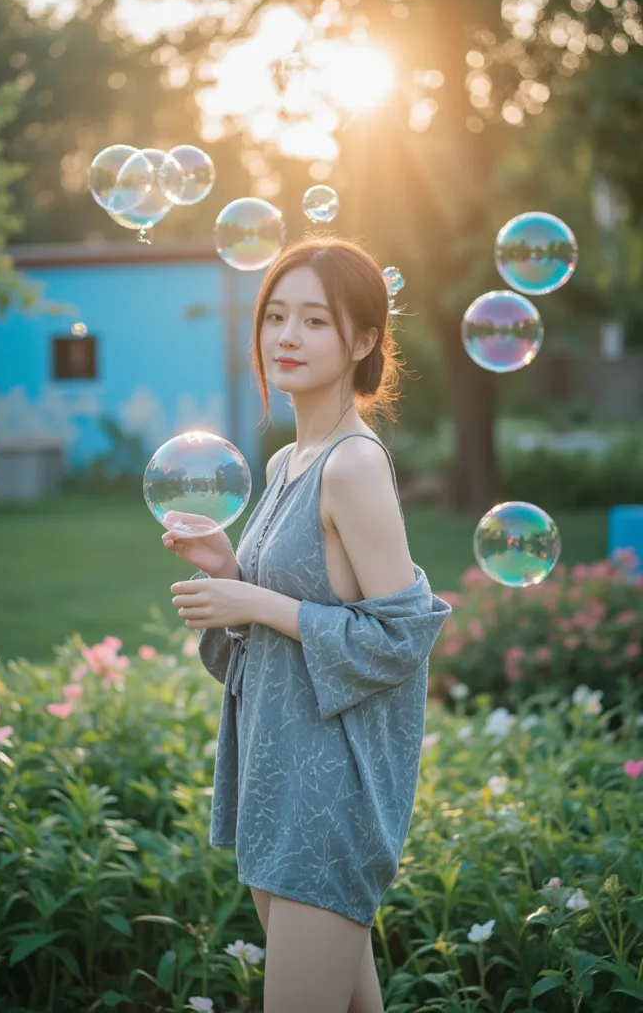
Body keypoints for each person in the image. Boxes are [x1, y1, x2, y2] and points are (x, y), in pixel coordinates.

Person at [162, 236, 452, 1013]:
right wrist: (228, 573)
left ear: (362, 341)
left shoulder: (353, 464)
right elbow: (292, 619)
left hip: (332, 801)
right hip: (279, 782)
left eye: (315, 321)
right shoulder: (293, 457)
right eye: (276, 316)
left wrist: (253, 601)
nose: (285, 336)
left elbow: (399, 640)